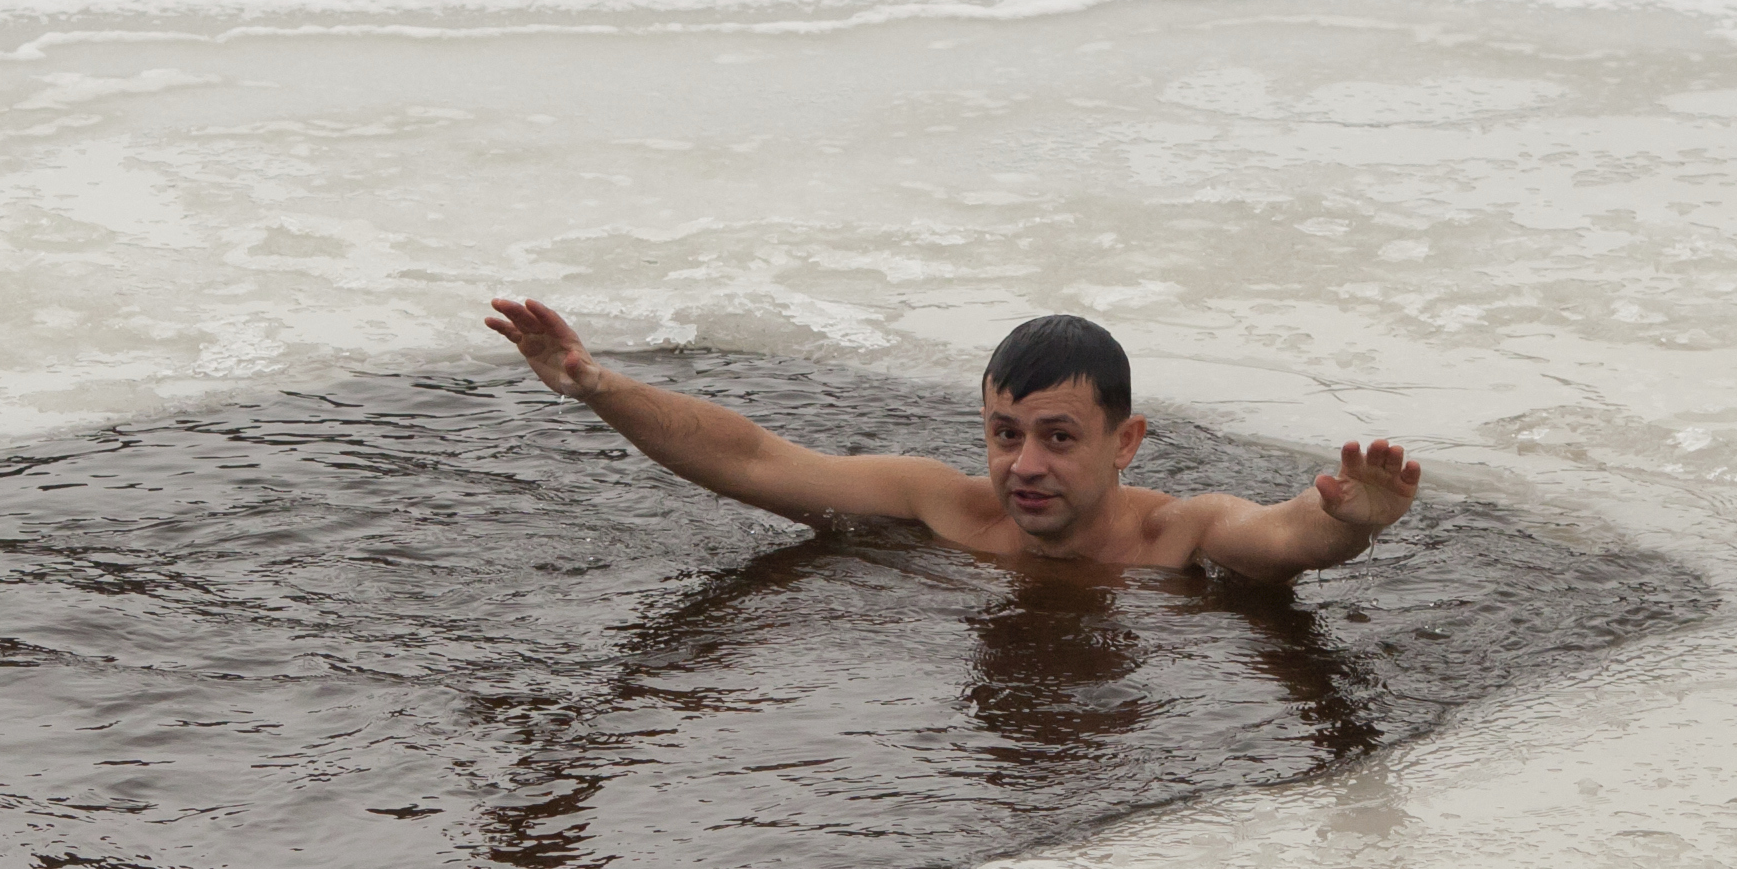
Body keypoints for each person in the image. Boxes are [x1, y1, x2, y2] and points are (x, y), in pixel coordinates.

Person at [482, 299, 1419, 577]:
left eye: (1058, 436)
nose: (1024, 466)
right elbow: (758, 460)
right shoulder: (944, 505)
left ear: (1126, 441)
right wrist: (597, 386)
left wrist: (1351, 523)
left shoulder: (1175, 533)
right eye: (1004, 434)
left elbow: (1282, 535)